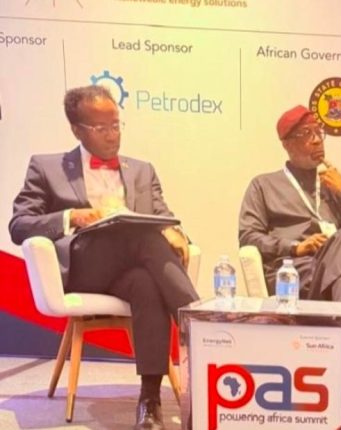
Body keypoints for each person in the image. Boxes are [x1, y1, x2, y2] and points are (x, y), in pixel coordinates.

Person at [8, 85, 199, 430]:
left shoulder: (142, 170)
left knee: (146, 284)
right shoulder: (46, 167)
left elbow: (163, 215)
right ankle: (199, 325)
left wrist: (176, 232)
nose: (113, 135)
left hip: (131, 269)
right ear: (76, 130)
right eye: (101, 128)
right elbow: (19, 225)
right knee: (146, 238)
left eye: (116, 125)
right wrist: (73, 217)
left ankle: (149, 401)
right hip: (85, 266)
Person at [238, 105, 341, 430]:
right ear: (287, 144)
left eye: (320, 133)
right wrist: (295, 246)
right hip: (295, 275)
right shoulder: (263, 185)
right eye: (307, 134)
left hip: (337, 273)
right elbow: (248, 236)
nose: (318, 141)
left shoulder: (332, 187)